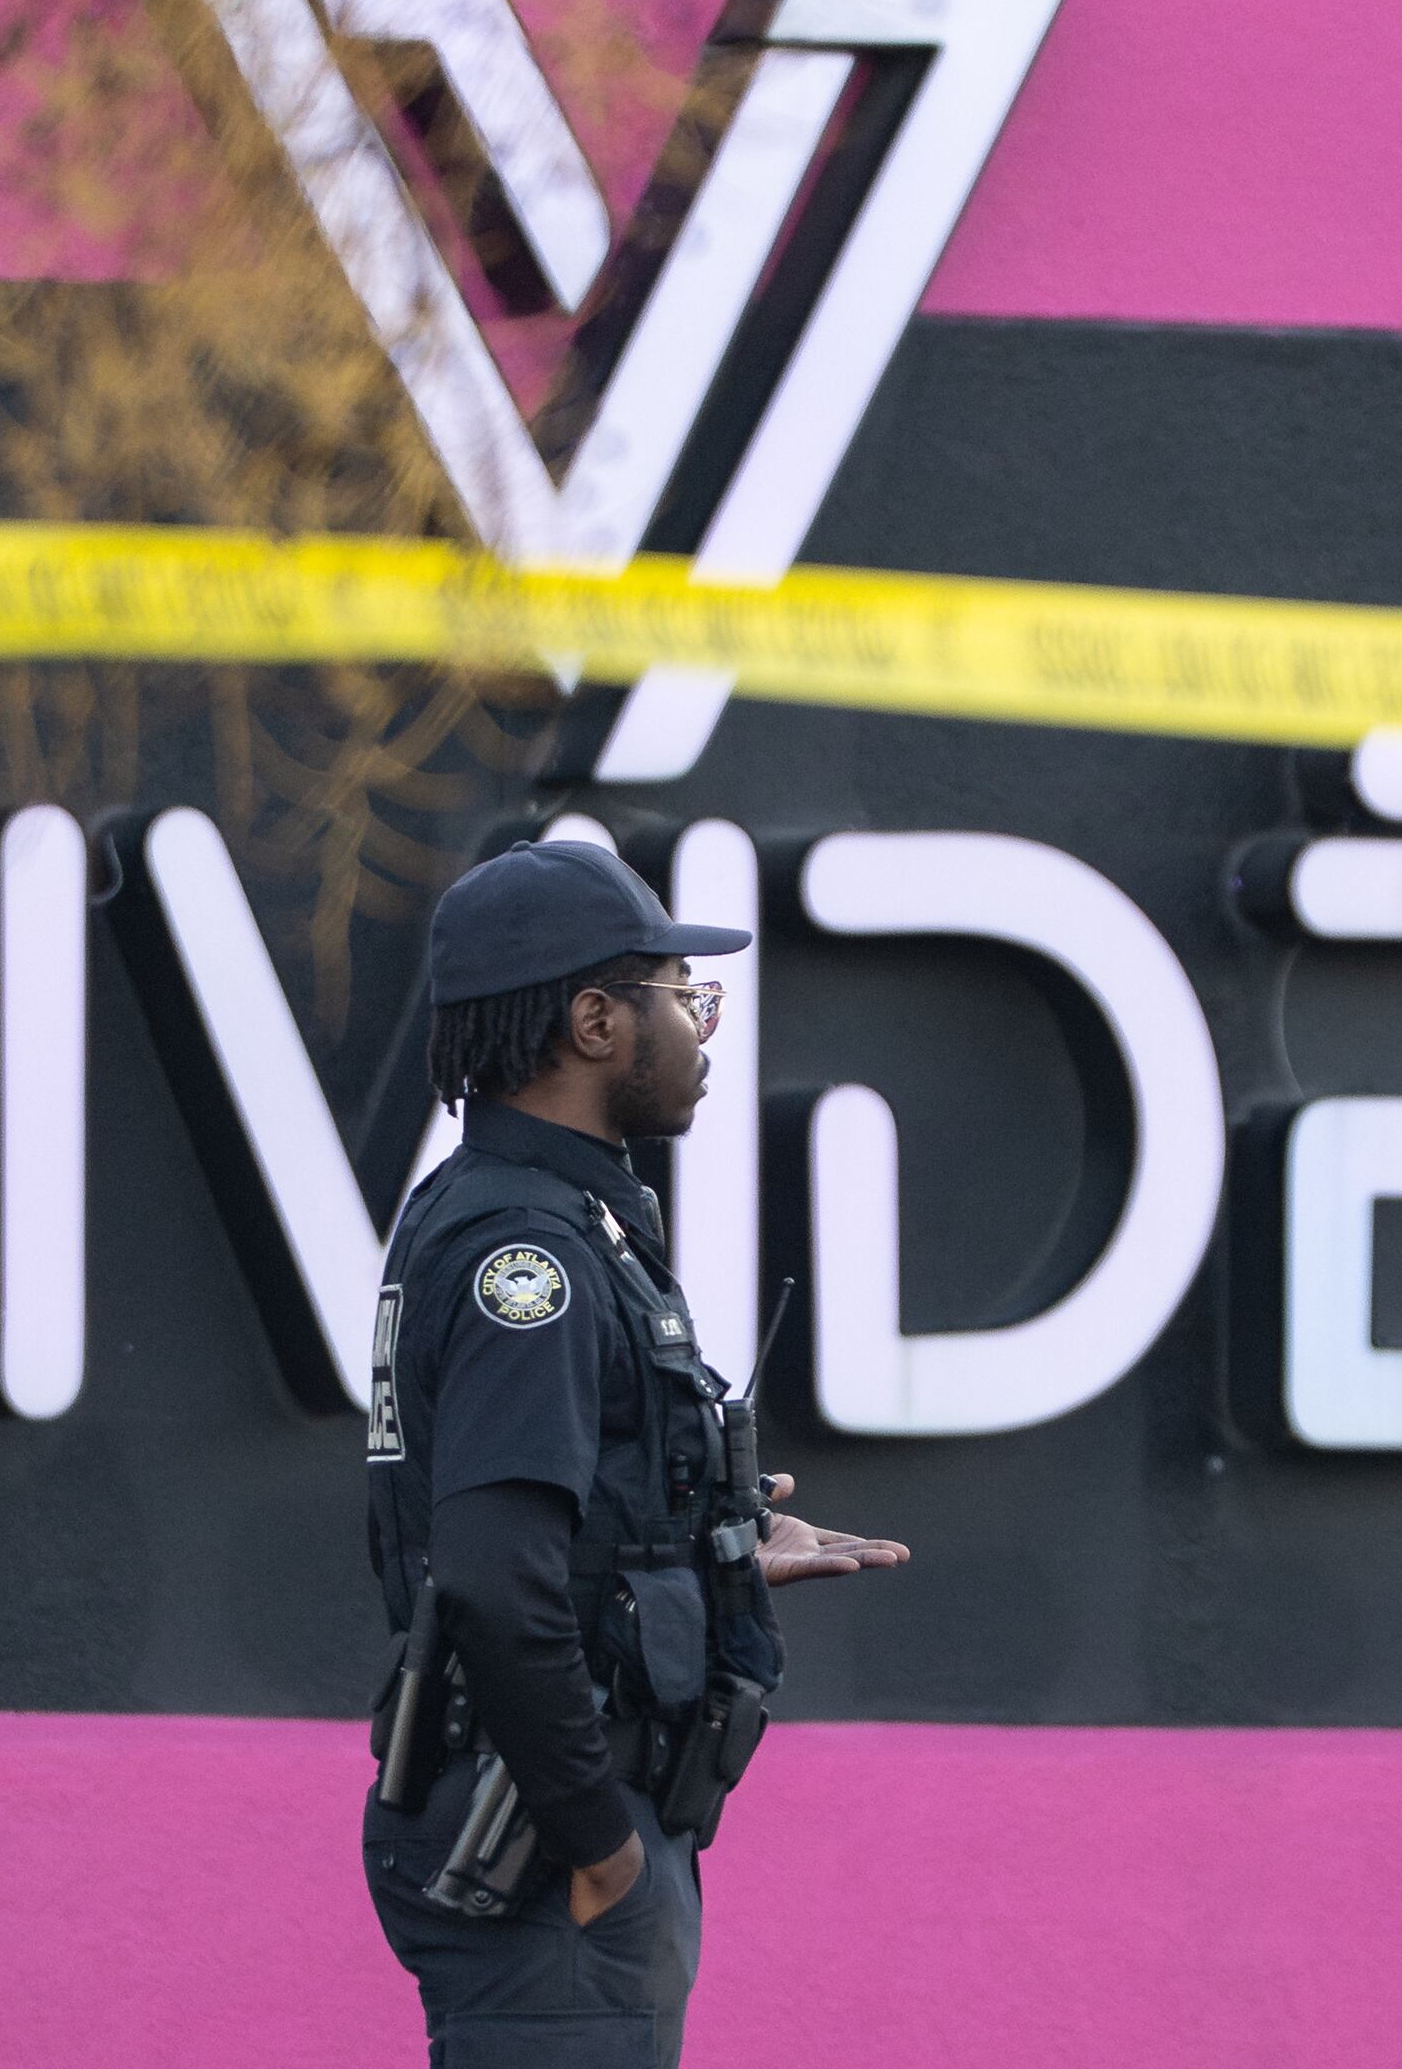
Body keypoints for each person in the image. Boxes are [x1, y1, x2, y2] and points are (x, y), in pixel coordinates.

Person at [364, 838, 908, 2069]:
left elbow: (561, 1524)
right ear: (597, 1022)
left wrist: (711, 1551)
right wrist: (599, 1844)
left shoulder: (545, 1214)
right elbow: (500, 1579)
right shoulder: (531, 1256)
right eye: (683, 997)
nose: (701, 1032)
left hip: (561, 1840)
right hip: (550, 1850)